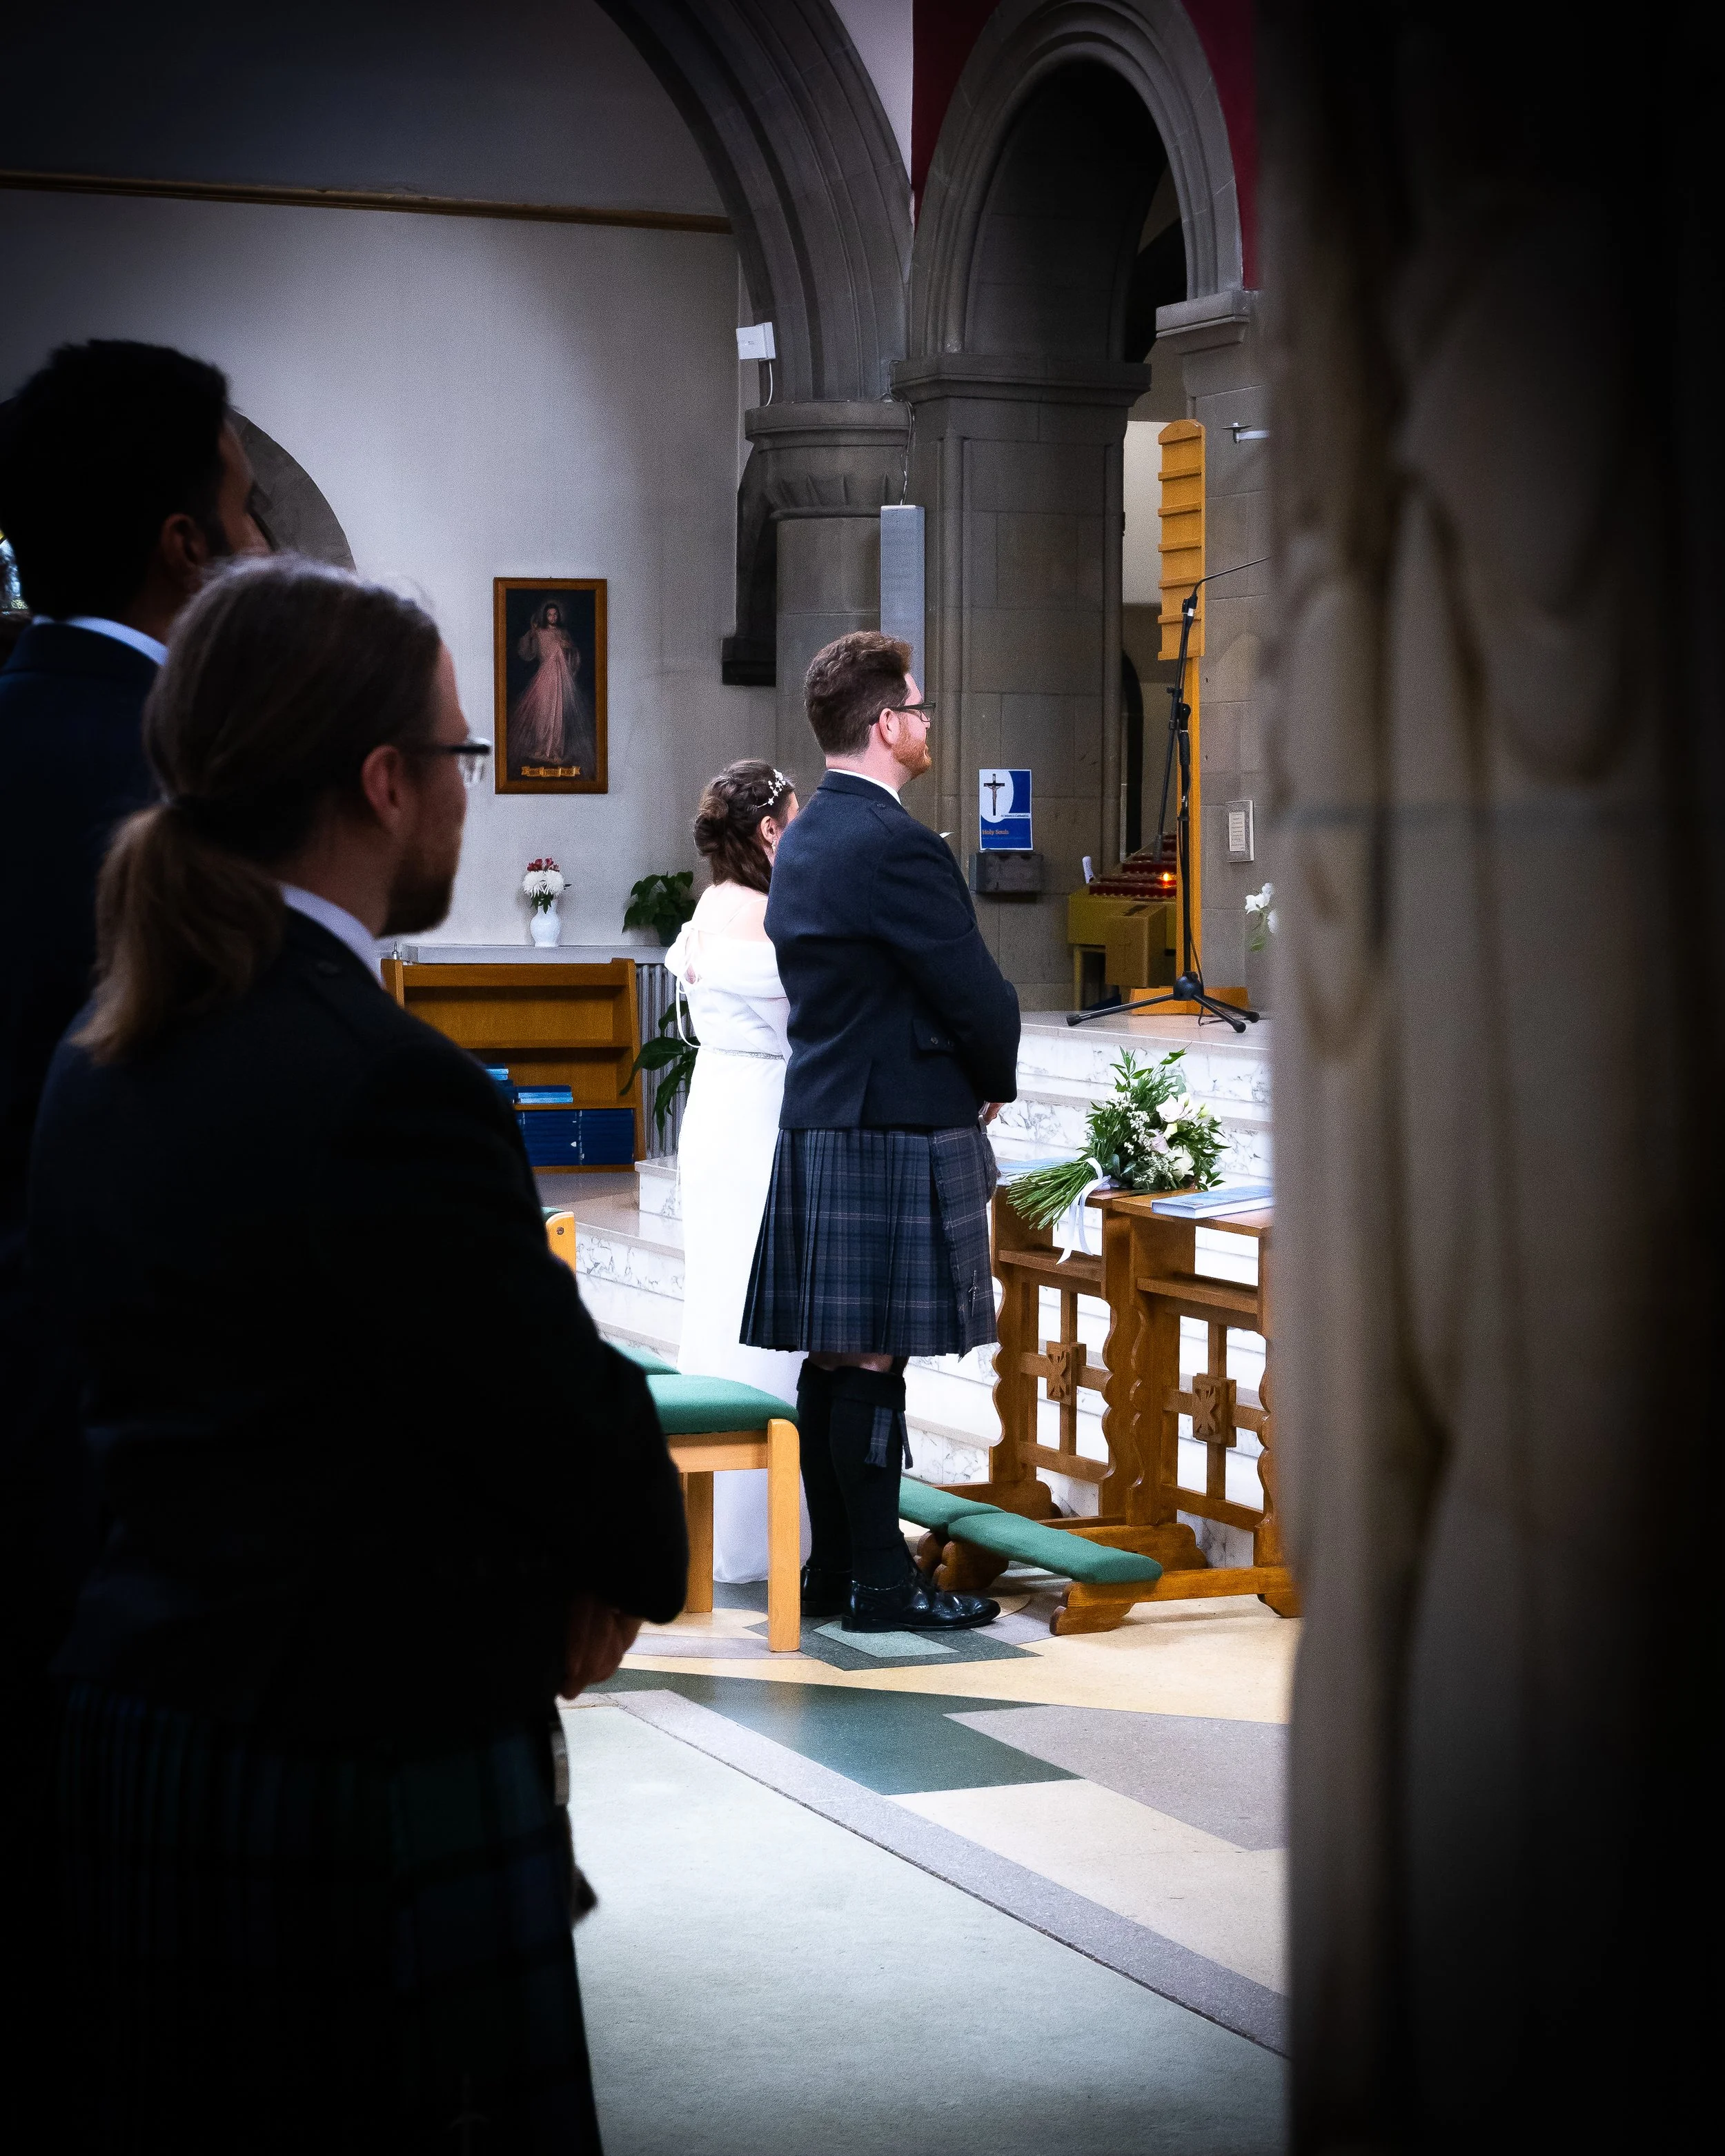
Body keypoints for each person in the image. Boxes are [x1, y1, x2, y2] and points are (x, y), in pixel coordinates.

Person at [28, 555, 686, 2150]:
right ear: (385, 784)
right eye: (461, 754)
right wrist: (572, 1564)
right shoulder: (384, 1085)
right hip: (353, 1767)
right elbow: (597, 1466)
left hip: (151, 1729)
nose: (468, 789)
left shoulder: (102, 1060)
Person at [0, 341, 267, 2106]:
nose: (254, 540)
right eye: (246, 507)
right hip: (122, 1451)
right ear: (182, 541)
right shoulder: (177, 813)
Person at [740, 631, 1022, 1632]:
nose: (929, 720)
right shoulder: (896, 841)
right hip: (891, 1121)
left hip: (826, 1115)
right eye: (921, 705)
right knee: (871, 1363)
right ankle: (881, 1585)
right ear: (886, 724)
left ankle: (838, 1571)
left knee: (834, 1358)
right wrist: (992, 1074)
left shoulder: (807, 833)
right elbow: (972, 990)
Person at [664, 760, 810, 1581]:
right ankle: (763, 1535)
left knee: (721, 1294)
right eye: (794, 821)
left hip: (716, 1102)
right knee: (767, 1300)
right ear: (767, 831)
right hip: (758, 1106)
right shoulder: (764, 914)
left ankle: (720, 1522)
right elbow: (807, 1026)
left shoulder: (709, 904)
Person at [512, 597, 596, 775]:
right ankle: (542, 748)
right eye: (549, 614)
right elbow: (527, 651)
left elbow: (573, 655)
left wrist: (568, 649)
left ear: (558, 616)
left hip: (560, 677)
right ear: (545, 615)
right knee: (543, 712)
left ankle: (555, 750)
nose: (552, 617)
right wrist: (532, 632)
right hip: (544, 676)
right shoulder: (540, 632)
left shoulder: (563, 633)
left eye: (555, 614)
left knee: (558, 714)